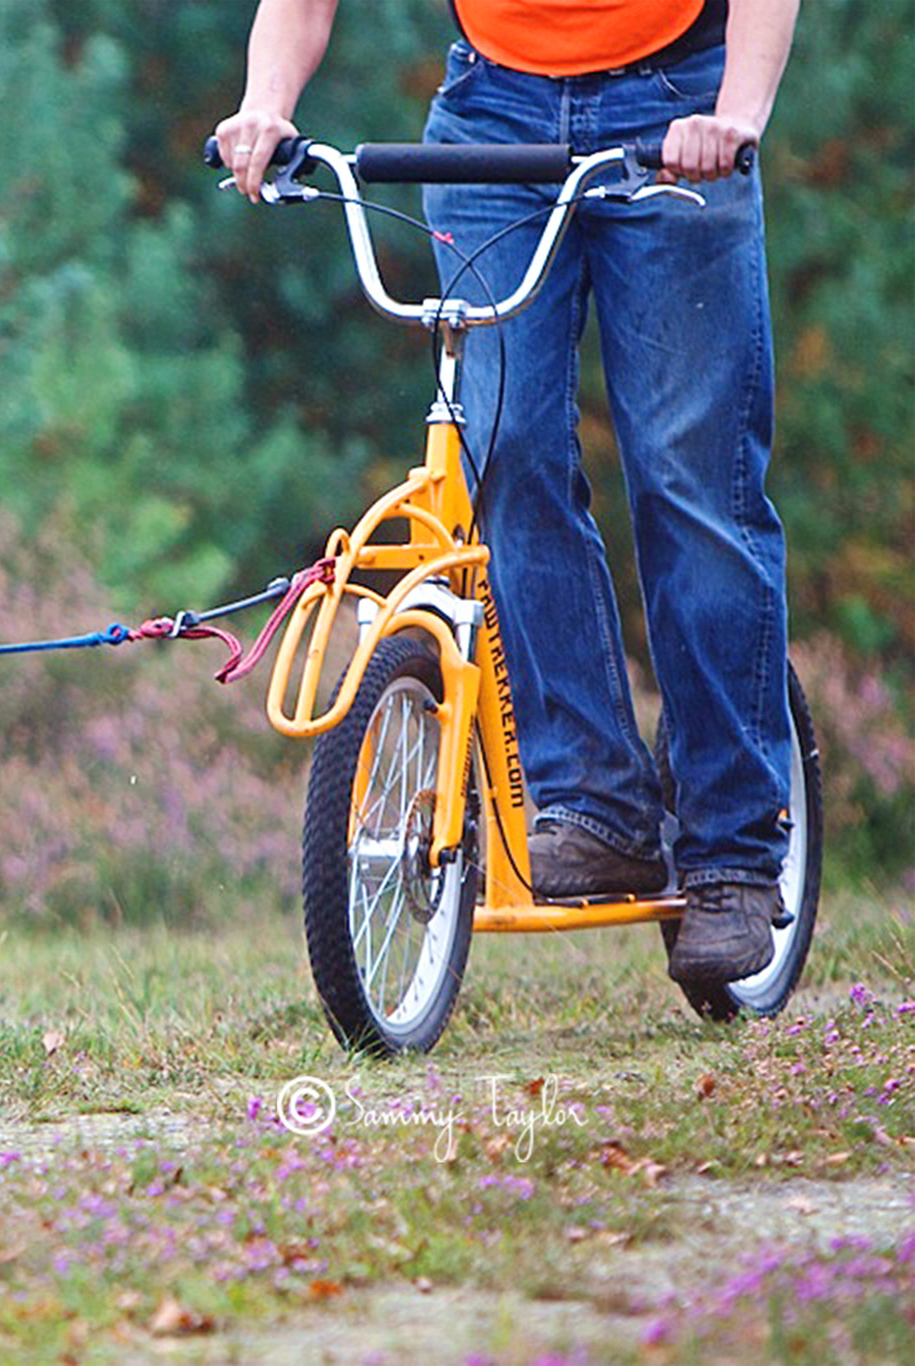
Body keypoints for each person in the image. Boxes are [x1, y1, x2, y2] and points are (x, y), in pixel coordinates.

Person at [215, 0, 799, 984]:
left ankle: (732, 853)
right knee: (501, 450)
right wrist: (262, 106)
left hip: (678, 110)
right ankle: (594, 801)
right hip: (490, 114)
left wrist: (735, 116)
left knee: (687, 482)